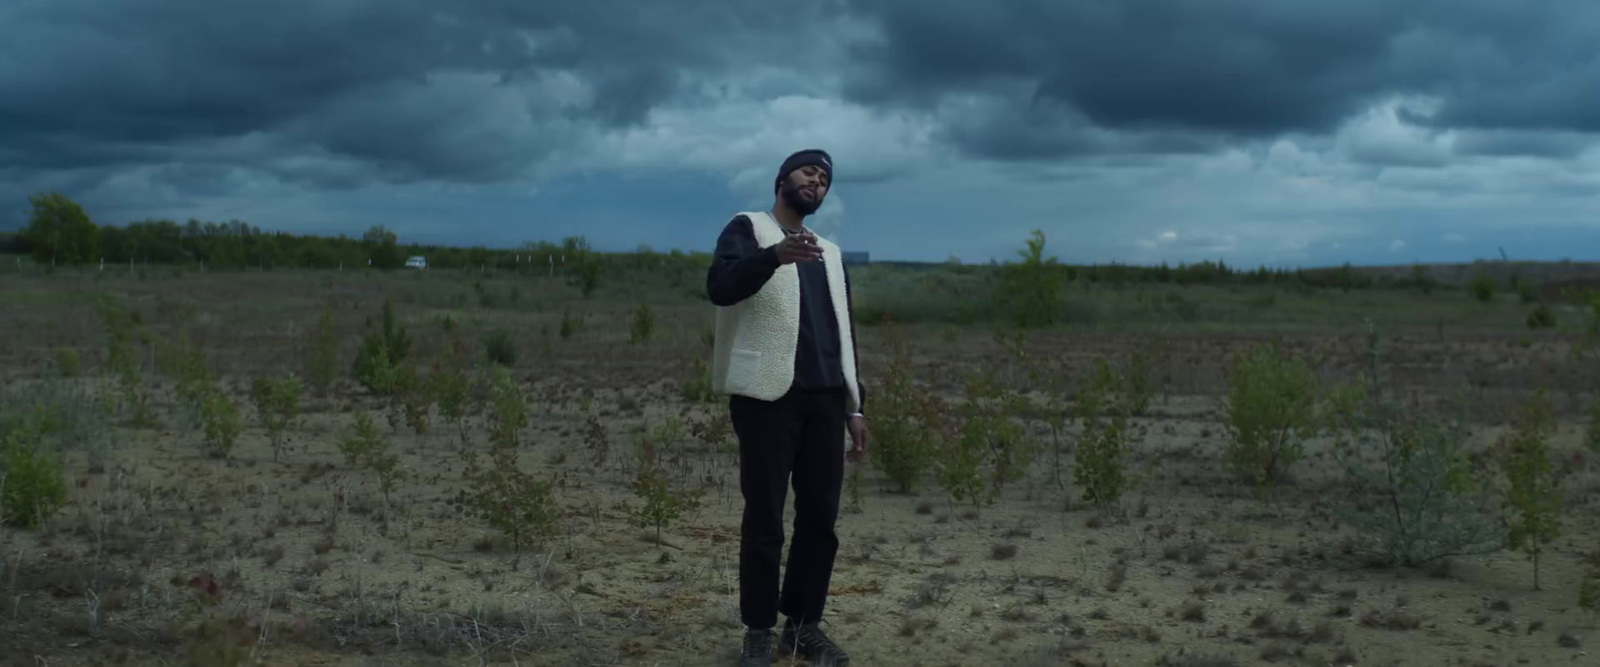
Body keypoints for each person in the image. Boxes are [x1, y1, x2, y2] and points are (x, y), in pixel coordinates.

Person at [705, 148, 869, 666]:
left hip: (824, 400)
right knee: (765, 519)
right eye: (807, 172)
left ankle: (801, 627)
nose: (816, 181)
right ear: (782, 180)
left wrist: (855, 405)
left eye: (824, 179)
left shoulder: (832, 253)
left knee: (820, 520)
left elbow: (844, 331)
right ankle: (758, 629)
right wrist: (771, 257)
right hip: (766, 398)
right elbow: (720, 287)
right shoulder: (748, 228)